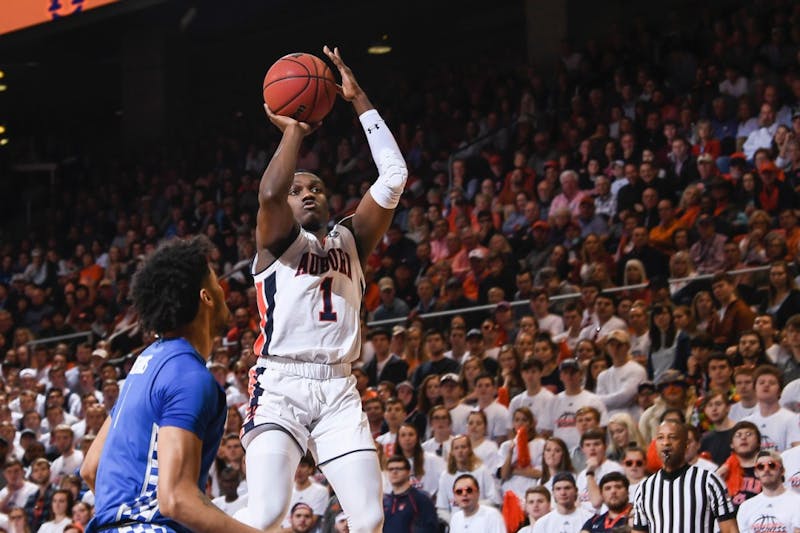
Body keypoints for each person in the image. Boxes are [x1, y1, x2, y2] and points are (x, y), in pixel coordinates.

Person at [234, 46, 407, 533]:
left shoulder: (352, 239)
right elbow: (270, 192)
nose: (306, 193)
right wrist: (294, 129)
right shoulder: (275, 243)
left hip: (339, 387)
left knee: (369, 518)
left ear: (329, 200)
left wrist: (358, 99)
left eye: (315, 188)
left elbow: (394, 176)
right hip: (280, 383)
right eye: (298, 190)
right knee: (268, 512)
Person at [80, 236, 260, 533]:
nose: (223, 290)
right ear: (206, 297)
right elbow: (176, 500)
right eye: (217, 283)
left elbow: (92, 468)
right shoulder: (189, 375)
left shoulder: (145, 363)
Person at [633, 421, 737, 533]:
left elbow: (730, 529)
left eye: (672, 437)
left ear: (685, 444)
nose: (666, 442)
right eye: (660, 437)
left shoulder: (709, 481)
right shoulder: (645, 488)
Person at [737, 450, 800, 533]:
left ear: (782, 471)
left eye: (771, 465)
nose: (766, 469)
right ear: (756, 472)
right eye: (760, 466)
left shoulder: (797, 502)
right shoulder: (746, 507)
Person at [382, 455, 438, 533]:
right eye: (390, 469)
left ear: (409, 472)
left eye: (399, 469)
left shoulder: (421, 499)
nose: (394, 472)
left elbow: (430, 528)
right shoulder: (385, 501)